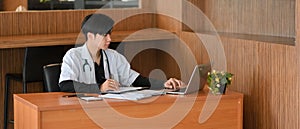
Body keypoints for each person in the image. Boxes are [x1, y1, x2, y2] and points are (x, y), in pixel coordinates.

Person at [59, 13, 183, 93]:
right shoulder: (73, 56)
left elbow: (135, 80)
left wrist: (163, 83)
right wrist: (100, 88)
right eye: (104, 35)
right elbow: (66, 85)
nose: (109, 39)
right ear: (91, 36)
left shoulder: (113, 56)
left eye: (110, 34)